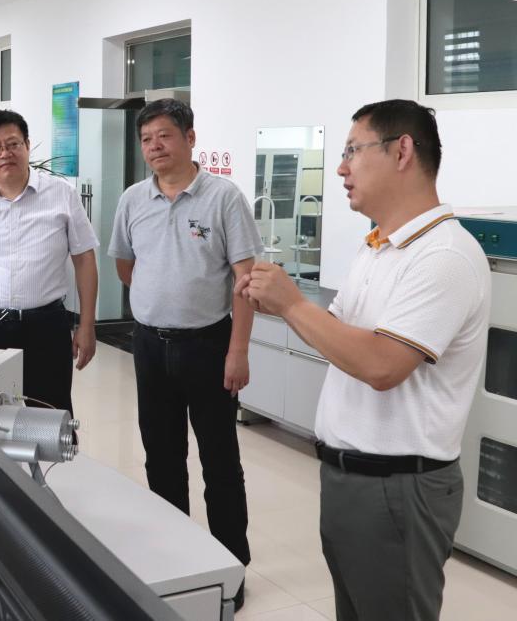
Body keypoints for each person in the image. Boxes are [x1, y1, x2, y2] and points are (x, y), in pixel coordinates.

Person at [237, 99, 490, 621]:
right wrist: (275, 304)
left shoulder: (443, 254)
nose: (340, 167)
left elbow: (381, 366)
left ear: (402, 151)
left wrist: (292, 304)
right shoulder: (377, 246)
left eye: (353, 150)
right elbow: (338, 337)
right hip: (349, 479)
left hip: (398, 488)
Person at [109, 98, 260, 607]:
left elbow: (245, 281)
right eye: (146, 139)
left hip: (209, 346)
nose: (154, 146)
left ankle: (231, 569)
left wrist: (238, 351)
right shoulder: (133, 199)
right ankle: (174, 564)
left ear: (190, 138)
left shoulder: (223, 198)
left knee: (220, 463)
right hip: (150, 346)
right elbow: (126, 266)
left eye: (165, 136)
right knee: (162, 459)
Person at [0, 109, 98, 413]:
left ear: (27, 145)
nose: (5, 153)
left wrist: (87, 325)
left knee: (49, 413)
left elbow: (84, 260)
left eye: (13, 144)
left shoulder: (62, 195)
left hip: (46, 326)